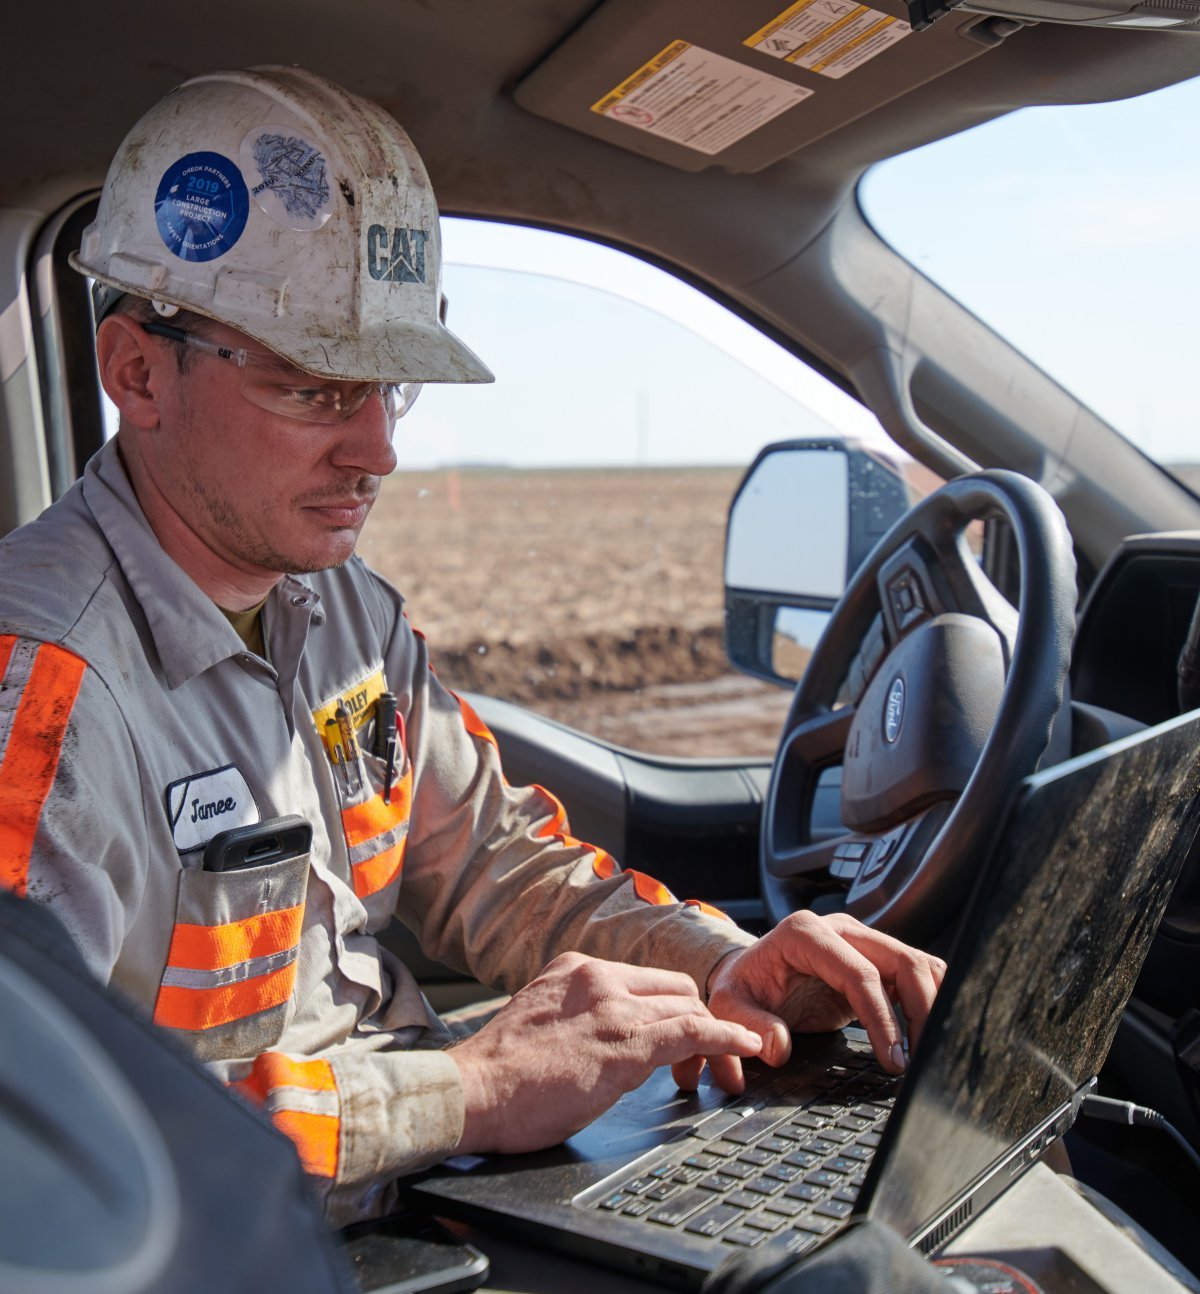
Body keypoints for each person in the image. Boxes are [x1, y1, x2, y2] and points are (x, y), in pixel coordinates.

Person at [0, 66, 945, 1226]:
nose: (376, 450)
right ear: (138, 373)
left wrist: (717, 962)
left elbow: (494, 863)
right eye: (314, 389)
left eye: (389, 388)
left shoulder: (345, 614)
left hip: (401, 1201)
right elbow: (36, 1140)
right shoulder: (39, 699)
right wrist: (470, 1089)